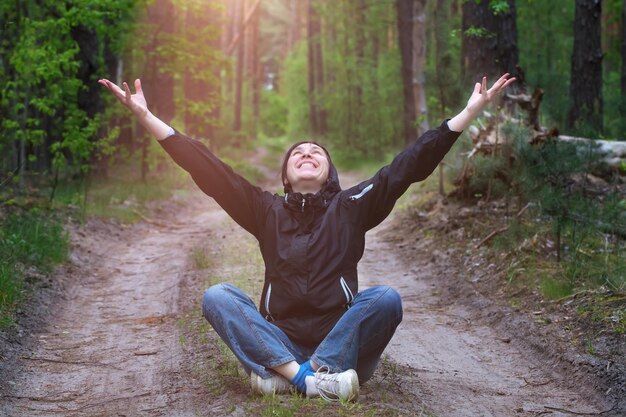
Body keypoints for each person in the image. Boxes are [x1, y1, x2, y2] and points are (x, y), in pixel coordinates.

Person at [99, 73, 515, 402]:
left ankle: (293, 378)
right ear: (285, 176)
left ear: (329, 173)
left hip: (344, 344)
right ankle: (311, 381)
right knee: (217, 296)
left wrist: (465, 115)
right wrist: (149, 120)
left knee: (386, 298)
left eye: (316, 152)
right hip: (279, 340)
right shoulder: (265, 210)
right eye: (297, 153)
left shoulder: (352, 205)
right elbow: (210, 171)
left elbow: (407, 167)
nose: (306, 155)